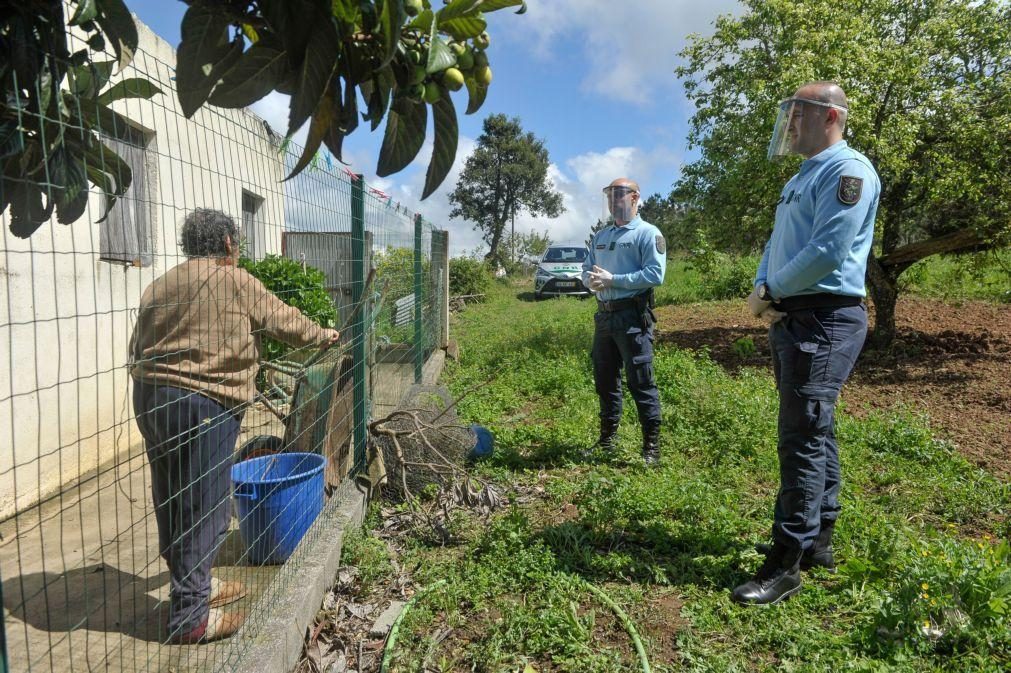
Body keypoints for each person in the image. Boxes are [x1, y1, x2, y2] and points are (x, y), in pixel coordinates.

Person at [129, 209, 339, 642]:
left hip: (150, 398)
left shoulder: (160, 285)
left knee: (171, 495)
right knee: (205, 507)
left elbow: (137, 345)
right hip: (205, 403)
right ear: (227, 244)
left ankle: (195, 585)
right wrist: (323, 334)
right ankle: (191, 617)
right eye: (238, 244)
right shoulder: (233, 280)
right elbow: (284, 322)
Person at [733, 82, 880, 605]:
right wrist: (762, 286)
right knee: (816, 427)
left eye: (799, 114)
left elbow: (827, 250)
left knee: (802, 435)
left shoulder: (847, 171)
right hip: (794, 314)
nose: (791, 124)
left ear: (831, 117)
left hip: (824, 317)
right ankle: (818, 539)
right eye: (789, 115)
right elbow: (779, 243)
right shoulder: (803, 176)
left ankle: (785, 564)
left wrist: (771, 289)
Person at [582, 178, 667, 465]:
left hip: (632, 316)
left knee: (640, 380)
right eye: (609, 194)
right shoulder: (601, 236)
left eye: (619, 194)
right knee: (605, 380)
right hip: (604, 315)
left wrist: (613, 280)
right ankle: (607, 440)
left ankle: (651, 448)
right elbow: (586, 268)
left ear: (635, 198)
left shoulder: (647, 233)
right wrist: (590, 282)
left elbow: (655, 275)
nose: (613, 200)